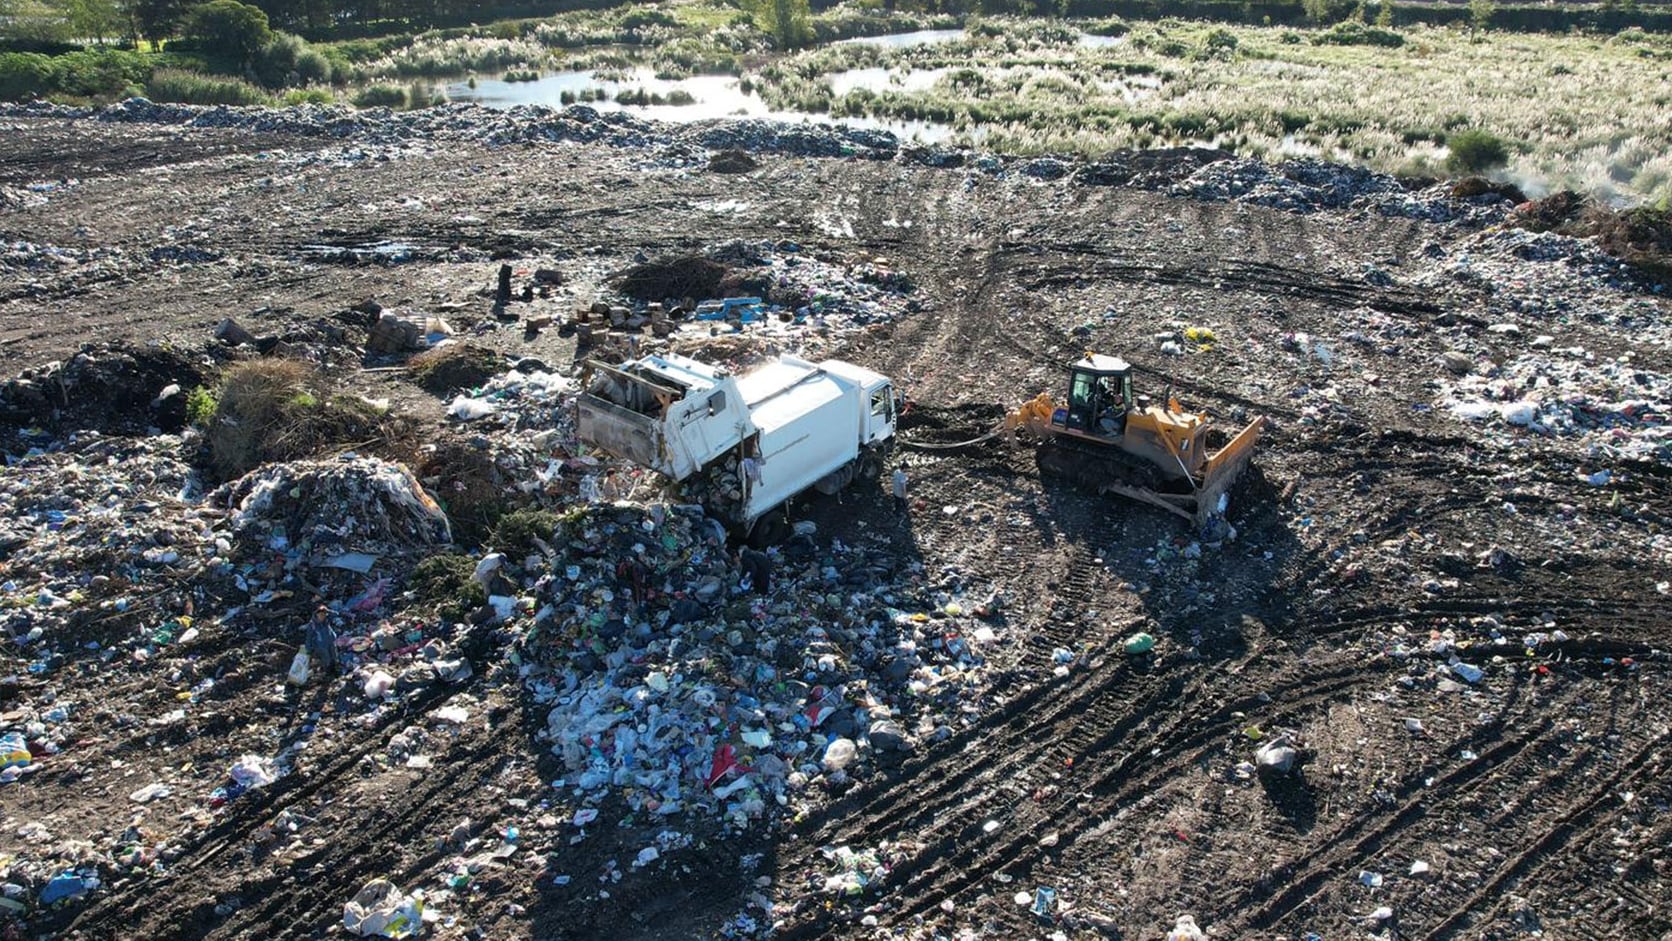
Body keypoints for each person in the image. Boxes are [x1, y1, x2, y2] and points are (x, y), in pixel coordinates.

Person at [305, 606, 339, 675]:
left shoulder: (326, 620)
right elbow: (308, 638)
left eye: (324, 614)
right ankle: (329, 673)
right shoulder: (312, 625)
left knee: (334, 657)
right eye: (320, 615)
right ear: (316, 615)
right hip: (322, 646)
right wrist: (308, 649)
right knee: (327, 660)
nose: (322, 616)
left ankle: (336, 671)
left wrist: (328, 610)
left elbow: (336, 614)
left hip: (331, 642)